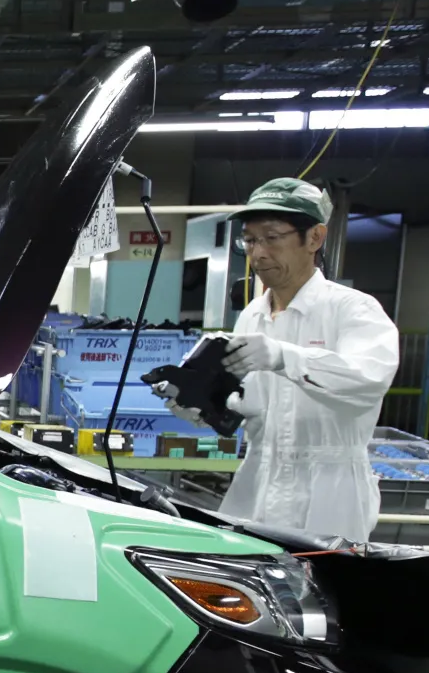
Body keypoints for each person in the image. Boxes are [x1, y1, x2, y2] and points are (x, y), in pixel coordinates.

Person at [159, 177, 398, 541]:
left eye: (272, 238)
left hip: (330, 490)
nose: (258, 253)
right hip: (260, 480)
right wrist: (207, 407)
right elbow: (254, 405)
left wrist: (284, 357)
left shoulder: (353, 310)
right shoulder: (252, 316)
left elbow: (368, 379)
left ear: (314, 238)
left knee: (324, 588)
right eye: (251, 240)